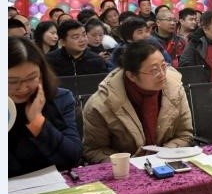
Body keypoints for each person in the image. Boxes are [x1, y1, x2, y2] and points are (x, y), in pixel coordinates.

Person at [82, 41, 194, 163]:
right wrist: (129, 162)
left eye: (163, 66)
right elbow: (94, 150)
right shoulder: (101, 104)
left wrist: (164, 153)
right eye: (154, 70)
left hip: (168, 161)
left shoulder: (175, 89)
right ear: (131, 76)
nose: (162, 74)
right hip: (126, 168)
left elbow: (184, 134)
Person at [8, 37, 82, 177]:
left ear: (42, 75)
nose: (23, 88)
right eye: (12, 81)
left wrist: (37, 121)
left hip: (51, 184)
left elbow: (72, 157)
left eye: (31, 78)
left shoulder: (60, 99)